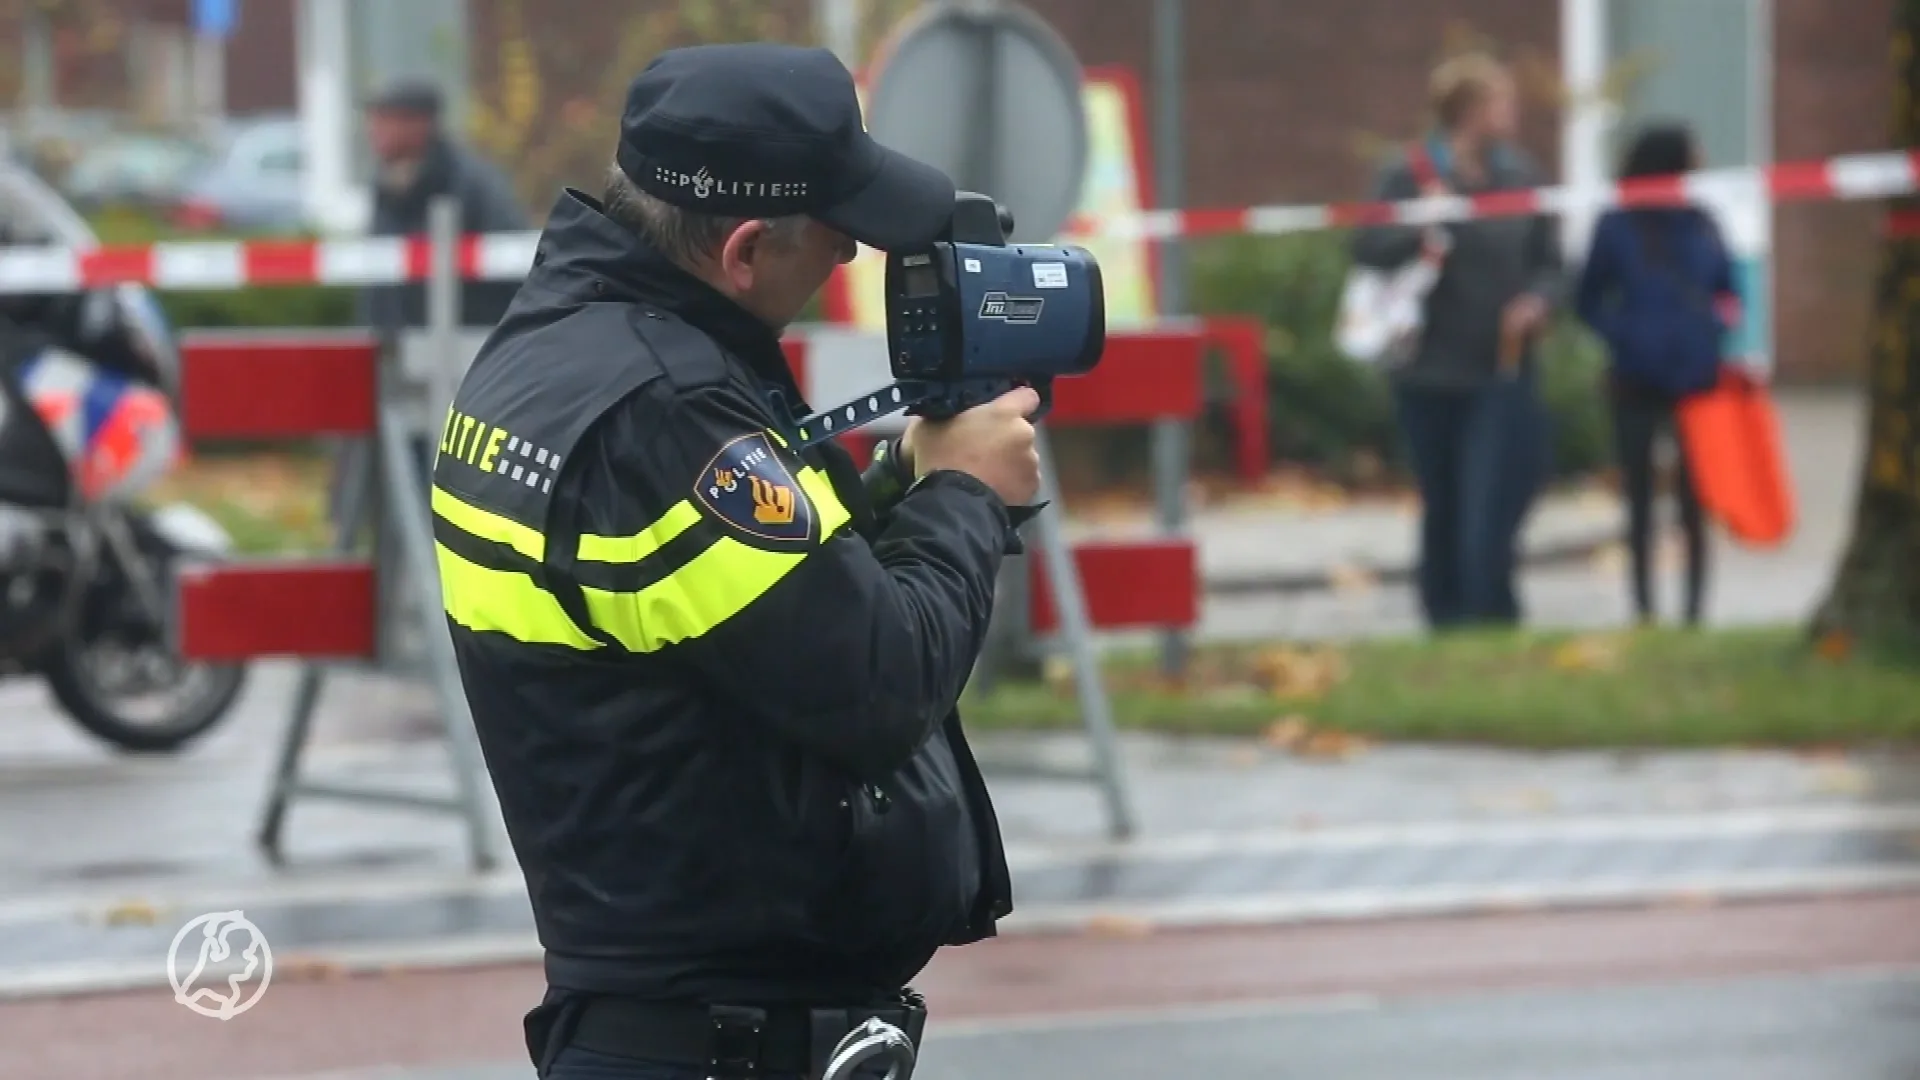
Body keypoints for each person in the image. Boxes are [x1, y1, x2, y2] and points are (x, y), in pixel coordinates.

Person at [428, 42, 1037, 1080]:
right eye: (836, 237)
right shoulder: (665, 412)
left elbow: (734, 605)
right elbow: (879, 685)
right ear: (746, 250)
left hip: (653, 1011)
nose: (849, 258)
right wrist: (966, 497)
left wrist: (891, 483)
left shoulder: (554, 348)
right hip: (717, 1040)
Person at [1350, 53, 1565, 630]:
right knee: (1444, 494)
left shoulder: (1520, 175)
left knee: (1497, 490)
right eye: (1501, 102)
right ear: (1470, 110)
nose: (1511, 112)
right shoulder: (1410, 174)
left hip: (1503, 364)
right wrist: (1423, 225)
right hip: (1426, 365)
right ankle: (1444, 610)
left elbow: (1550, 258)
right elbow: (1368, 249)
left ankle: (1492, 607)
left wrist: (1538, 300)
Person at [1575, 122, 1737, 627]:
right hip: (1635, 379)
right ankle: (1643, 609)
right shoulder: (1617, 224)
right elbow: (1587, 297)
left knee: (1695, 499)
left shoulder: (1703, 221)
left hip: (1696, 379)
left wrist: (1715, 328)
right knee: (1640, 500)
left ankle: (1694, 611)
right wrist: (1623, 334)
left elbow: (1728, 288)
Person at [359, 78, 529, 331]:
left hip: (469, 347)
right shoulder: (383, 186)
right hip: (396, 349)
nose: (373, 129)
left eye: (385, 119)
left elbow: (512, 262)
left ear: (420, 124)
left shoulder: (474, 184)